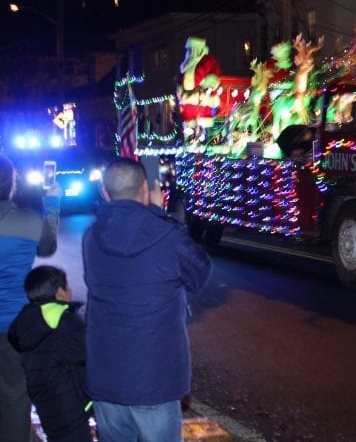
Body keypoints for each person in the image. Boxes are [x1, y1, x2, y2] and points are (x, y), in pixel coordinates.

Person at [82, 157, 212, 441]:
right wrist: (159, 212)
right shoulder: (168, 234)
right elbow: (200, 274)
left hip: (105, 376)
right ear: (145, 188)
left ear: (105, 193)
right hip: (154, 377)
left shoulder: (91, 237)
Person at [0, 153, 61, 442]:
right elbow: (48, 248)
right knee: (14, 397)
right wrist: (52, 203)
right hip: (14, 327)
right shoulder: (29, 222)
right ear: (11, 184)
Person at [7, 265, 92, 442]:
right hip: (71, 409)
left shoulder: (27, 322)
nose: (70, 291)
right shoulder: (63, 322)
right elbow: (88, 352)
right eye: (67, 287)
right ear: (60, 292)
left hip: (49, 410)